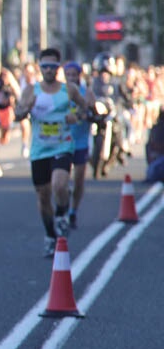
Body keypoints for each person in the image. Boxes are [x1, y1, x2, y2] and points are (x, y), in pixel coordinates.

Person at [15, 47, 88, 257]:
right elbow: (17, 115)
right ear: (39, 67)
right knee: (43, 196)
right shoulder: (31, 90)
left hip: (62, 145)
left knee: (59, 184)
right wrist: (25, 108)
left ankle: (63, 213)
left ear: (59, 67)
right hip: (39, 150)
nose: (48, 70)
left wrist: (77, 116)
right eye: (44, 66)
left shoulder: (69, 90)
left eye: (52, 66)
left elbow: (85, 109)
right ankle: (49, 235)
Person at [63, 61, 96, 228]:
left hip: (81, 140)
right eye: (67, 75)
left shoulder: (86, 92)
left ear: (79, 76)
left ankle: (73, 211)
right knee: (61, 180)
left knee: (78, 179)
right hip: (63, 141)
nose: (70, 78)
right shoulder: (60, 92)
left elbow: (92, 111)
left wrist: (87, 114)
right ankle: (64, 206)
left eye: (73, 75)